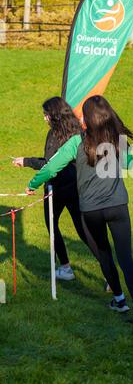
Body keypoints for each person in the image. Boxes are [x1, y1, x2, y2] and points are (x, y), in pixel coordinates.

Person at [25, 95, 133, 325]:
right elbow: (129, 163)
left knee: (104, 254)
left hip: (91, 209)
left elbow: (51, 167)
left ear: (89, 118)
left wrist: (32, 184)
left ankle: (120, 300)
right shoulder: (117, 141)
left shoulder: (76, 143)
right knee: (125, 257)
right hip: (117, 205)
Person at [13, 97, 89, 281]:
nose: (44, 119)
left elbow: (50, 164)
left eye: (46, 115)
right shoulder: (79, 131)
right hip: (77, 186)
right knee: (85, 231)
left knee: (53, 226)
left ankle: (65, 268)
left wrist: (26, 162)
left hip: (57, 188)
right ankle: (108, 272)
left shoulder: (54, 135)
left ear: (54, 115)